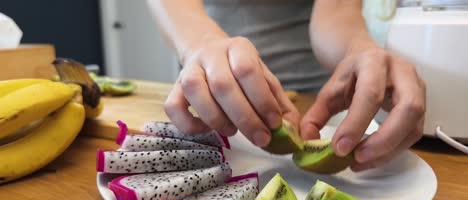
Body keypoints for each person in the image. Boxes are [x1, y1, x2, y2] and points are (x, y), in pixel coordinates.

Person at [147, 0, 425, 171]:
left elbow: (338, 11)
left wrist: (360, 51)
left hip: (315, 104)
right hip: (210, 92)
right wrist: (201, 42)